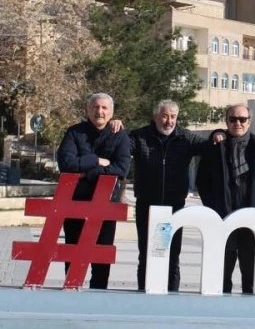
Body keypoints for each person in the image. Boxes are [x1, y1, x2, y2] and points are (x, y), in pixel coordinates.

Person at [129, 100, 219, 292]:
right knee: (146, 254)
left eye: (173, 116)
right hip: (147, 205)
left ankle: (171, 295)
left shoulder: (185, 138)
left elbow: (208, 146)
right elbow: (119, 148)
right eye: (164, 116)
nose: (169, 121)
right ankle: (142, 294)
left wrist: (218, 133)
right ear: (155, 117)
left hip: (174, 207)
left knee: (171, 255)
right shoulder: (139, 137)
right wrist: (116, 126)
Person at [196, 104, 255, 294]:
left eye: (242, 119)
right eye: (233, 119)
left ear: (249, 122)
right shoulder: (216, 147)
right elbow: (202, 181)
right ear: (226, 121)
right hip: (222, 217)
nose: (237, 123)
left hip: (251, 218)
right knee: (221, 272)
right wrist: (212, 207)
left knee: (251, 271)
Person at [57, 92, 131, 289]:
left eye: (104, 108)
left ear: (111, 112)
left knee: (101, 257)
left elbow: (121, 169)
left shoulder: (120, 135)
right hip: (75, 203)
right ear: (87, 110)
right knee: (72, 254)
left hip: (106, 206)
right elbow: (66, 163)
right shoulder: (74, 133)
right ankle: (71, 294)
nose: (100, 111)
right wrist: (96, 161)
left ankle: (98, 296)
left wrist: (86, 172)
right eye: (95, 107)